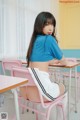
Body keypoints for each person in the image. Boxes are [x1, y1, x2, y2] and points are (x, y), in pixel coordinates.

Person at [25, 12, 68, 119]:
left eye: (52, 24)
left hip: (27, 93)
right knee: (64, 87)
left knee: (54, 83)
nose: (51, 28)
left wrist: (48, 62)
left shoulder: (34, 41)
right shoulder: (49, 39)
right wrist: (58, 61)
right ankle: (62, 118)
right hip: (42, 92)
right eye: (47, 24)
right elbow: (64, 62)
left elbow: (37, 60)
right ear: (39, 25)